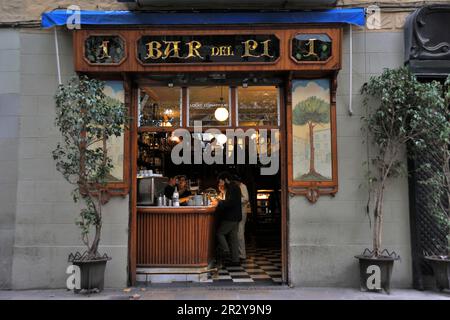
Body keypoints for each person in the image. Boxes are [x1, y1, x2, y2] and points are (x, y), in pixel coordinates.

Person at [212, 171, 242, 266]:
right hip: (236, 217)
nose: (220, 183)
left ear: (225, 180)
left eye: (221, 181)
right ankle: (235, 260)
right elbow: (231, 201)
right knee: (233, 239)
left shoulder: (232, 188)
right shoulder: (233, 187)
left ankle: (226, 251)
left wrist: (219, 202)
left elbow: (230, 202)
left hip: (231, 217)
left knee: (220, 233)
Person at [234, 175, 250, 261]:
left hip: (242, 212)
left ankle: (242, 254)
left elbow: (246, 199)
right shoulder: (238, 186)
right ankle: (239, 253)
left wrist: (235, 199)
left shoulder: (242, 186)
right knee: (238, 232)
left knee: (240, 232)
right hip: (238, 212)